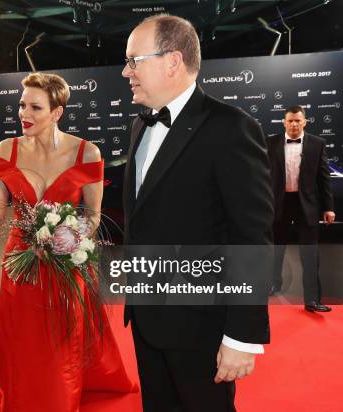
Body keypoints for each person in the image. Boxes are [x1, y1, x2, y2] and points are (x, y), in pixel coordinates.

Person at [121, 14, 273, 411]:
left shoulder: (231, 128)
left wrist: (241, 337)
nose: (126, 71)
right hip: (147, 317)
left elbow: (251, 237)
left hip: (202, 326)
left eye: (134, 60)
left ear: (172, 61)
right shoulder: (139, 126)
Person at [0, 72, 136, 411]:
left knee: (63, 336)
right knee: (21, 334)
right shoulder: (6, 150)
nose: (23, 114)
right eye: (21, 105)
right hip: (19, 261)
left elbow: (94, 216)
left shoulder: (87, 152)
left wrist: (70, 239)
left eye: (35, 107)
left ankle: (59, 397)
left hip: (67, 258)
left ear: (57, 113)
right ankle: (20, 395)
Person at [267, 106, 334, 312]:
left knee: (310, 254)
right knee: (275, 250)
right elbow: (261, 176)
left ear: (305, 122)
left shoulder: (317, 143)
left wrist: (329, 207)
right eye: (290, 121)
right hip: (279, 203)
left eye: (298, 120)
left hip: (307, 205)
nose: (294, 124)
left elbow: (324, 178)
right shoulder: (270, 143)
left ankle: (312, 300)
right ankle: (273, 285)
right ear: (284, 122)